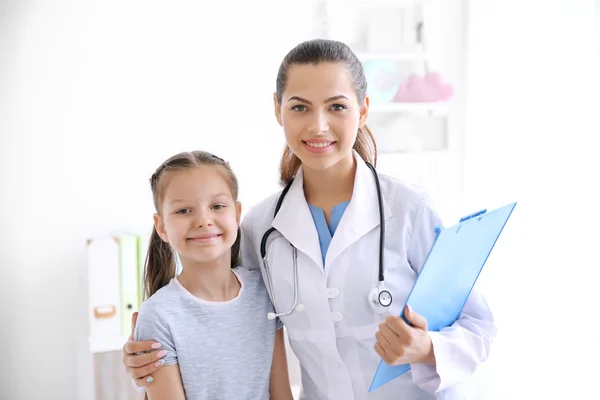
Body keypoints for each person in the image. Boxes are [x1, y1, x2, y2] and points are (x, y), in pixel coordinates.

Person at [123, 39, 497, 400]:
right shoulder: (260, 226)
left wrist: (427, 347)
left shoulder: (412, 209)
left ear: (363, 110)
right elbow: (225, 315)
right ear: (277, 109)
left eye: (336, 107)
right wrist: (149, 353)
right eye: (300, 107)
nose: (318, 126)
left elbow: (478, 325)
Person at [131, 150, 293, 400]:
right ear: (161, 226)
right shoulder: (159, 315)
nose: (204, 220)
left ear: (237, 214)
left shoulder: (263, 293)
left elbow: (281, 394)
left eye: (217, 206)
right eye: (183, 211)